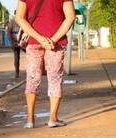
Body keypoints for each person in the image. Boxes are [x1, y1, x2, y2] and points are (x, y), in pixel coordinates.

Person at [15, 0, 75, 128]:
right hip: (56, 43)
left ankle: (30, 119)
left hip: (33, 41)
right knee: (55, 79)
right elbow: (70, 17)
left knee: (32, 78)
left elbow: (19, 18)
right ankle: (53, 118)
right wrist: (52, 39)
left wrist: (38, 38)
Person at [7, 11, 22, 78]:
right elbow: (9, 33)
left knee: (30, 55)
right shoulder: (12, 22)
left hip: (22, 41)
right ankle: (17, 72)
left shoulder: (23, 21)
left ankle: (32, 71)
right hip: (14, 42)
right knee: (16, 58)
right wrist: (12, 42)